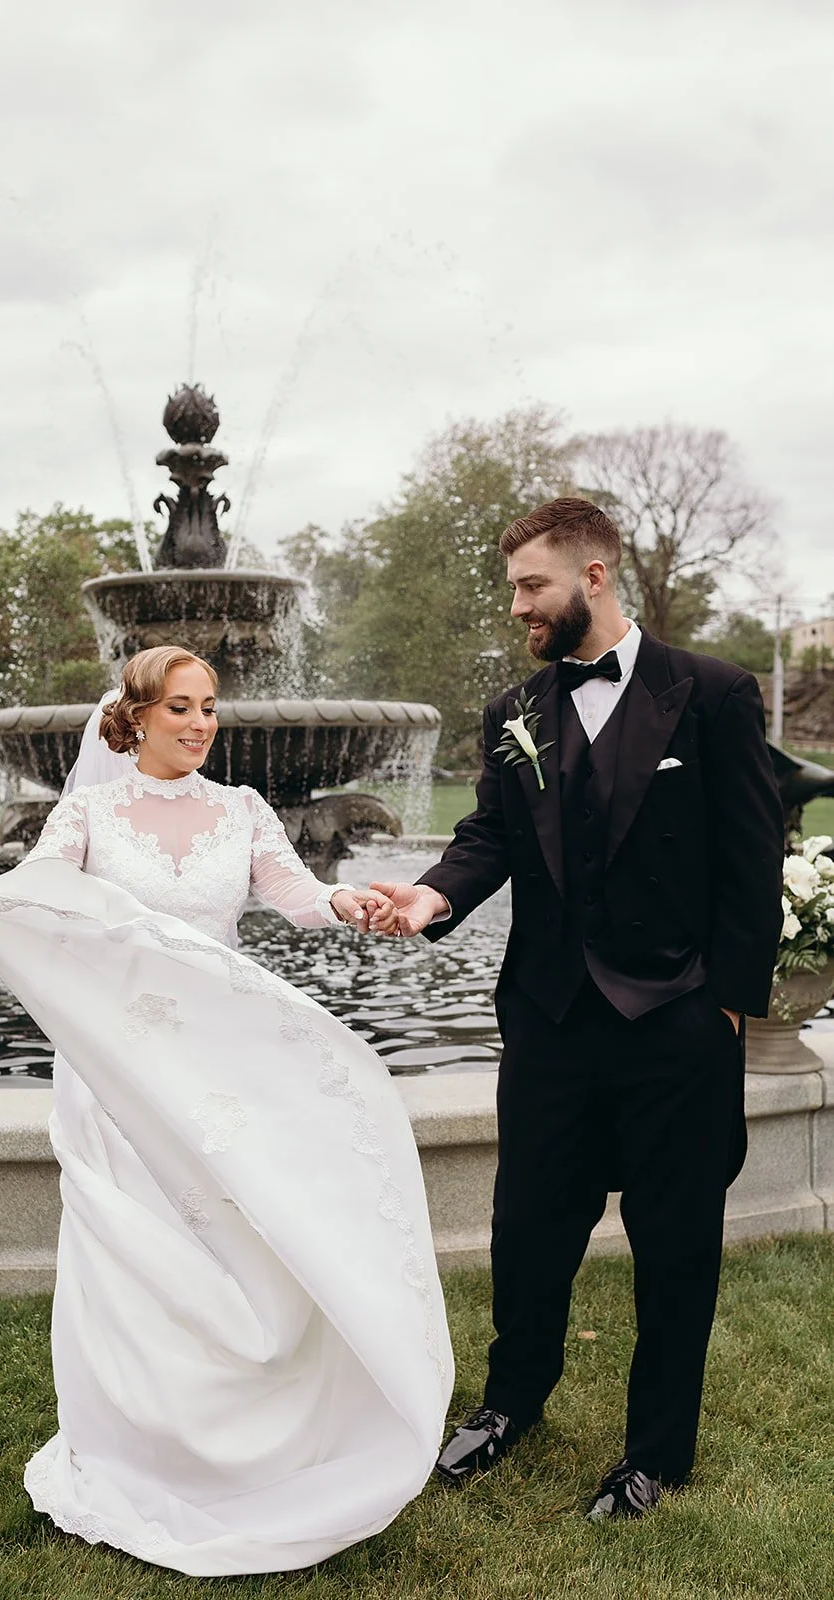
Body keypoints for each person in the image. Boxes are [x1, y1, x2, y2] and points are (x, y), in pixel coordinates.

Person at [0, 645, 453, 1576]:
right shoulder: (86, 809)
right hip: (119, 1072)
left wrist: (346, 900)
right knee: (139, 1245)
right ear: (134, 717)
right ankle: (145, 1450)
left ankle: (269, 1436)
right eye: (181, 707)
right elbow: (43, 895)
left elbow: (290, 895)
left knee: (238, 1237)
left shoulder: (241, 808)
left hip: (218, 1060)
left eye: (210, 707)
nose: (202, 723)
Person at [369, 498, 784, 1520]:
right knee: (526, 1229)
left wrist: (725, 1008)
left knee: (674, 1240)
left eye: (531, 587)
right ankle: (511, 1405)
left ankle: (654, 1451)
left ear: (592, 577)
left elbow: (751, 859)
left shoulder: (714, 694)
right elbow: (490, 835)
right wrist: (430, 896)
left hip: (676, 1022)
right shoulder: (512, 706)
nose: (518, 607)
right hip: (551, 1020)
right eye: (514, 588)